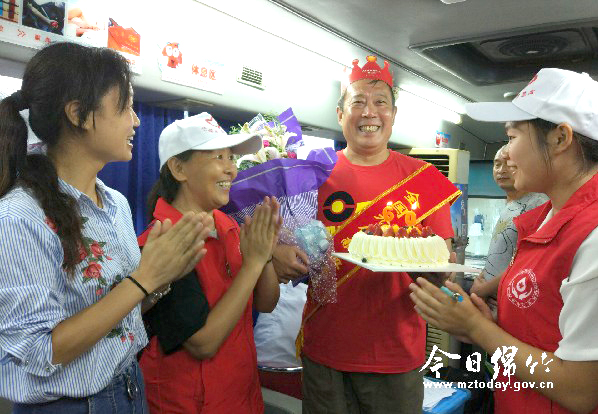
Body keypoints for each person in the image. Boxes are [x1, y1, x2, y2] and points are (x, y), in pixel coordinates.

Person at [0, 42, 210, 413]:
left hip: (128, 387)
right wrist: (143, 279)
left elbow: (118, 318)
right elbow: (38, 352)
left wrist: (160, 280)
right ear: (78, 114)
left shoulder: (114, 204)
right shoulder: (19, 216)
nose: (136, 120)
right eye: (125, 106)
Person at [410, 68, 598, 414]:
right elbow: (544, 330)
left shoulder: (593, 236)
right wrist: (487, 325)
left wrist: (478, 329)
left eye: (512, 138)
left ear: (560, 138)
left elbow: (580, 389)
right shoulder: (544, 219)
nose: (507, 155)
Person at [274, 55, 458, 413]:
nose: (369, 112)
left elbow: (440, 267)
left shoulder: (425, 179)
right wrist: (278, 256)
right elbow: (285, 248)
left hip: (395, 356)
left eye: (380, 103)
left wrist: (438, 274)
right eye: (357, 102)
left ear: (394, 114)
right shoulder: (312, 175)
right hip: (325, 350)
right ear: (340, 114)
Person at [138, 113, 281, 413]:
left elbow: (266, 303)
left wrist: (265, 254)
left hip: (243, 398)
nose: (231, 169)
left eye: (231, 158)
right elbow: (203, 343)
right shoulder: (160, 244)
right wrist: (254, 264)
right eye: (218, 157)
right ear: (178, 168)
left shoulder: (229, 226)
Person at [469, 145, 548, 309]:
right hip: (492, 299)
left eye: (510, 164)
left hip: (509, 301)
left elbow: (528, 263)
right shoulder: (512, 204)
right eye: (497, 164)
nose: (501, 170)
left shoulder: (537, 205)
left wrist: (483, 289)